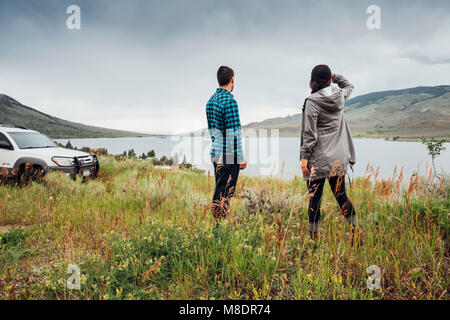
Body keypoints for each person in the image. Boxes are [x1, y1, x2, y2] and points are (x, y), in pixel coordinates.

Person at [300, 64, 358, 242]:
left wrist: (304, 157)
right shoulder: (339, 95)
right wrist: (335, 76)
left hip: (318, 159)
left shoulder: (312, 101)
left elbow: (310, 133)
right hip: (338, 158)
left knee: (314, 200)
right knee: (341, 196)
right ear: (329, 79)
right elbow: (349, 85)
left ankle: (313, 239)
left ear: (313, 80)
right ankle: (356, 232)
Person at [206, 66, 247, 220]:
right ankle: (219, 226)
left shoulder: (210, 101)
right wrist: (240, 158)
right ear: (232, 80)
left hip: (216, 153)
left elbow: (212, 130)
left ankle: (218, 224)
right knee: (225, 194)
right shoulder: (230, 101)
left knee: (220, 189)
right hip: (229, 156)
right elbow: (234, 133)